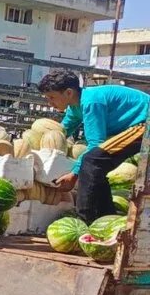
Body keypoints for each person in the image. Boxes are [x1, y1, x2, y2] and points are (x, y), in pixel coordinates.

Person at [36, 70, 148, 222]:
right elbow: (61, 131)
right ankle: (106, 218)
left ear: (68, 93)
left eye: (52, 97)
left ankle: (84, 220)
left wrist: (74, 174)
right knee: (95, 163)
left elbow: (96, 143)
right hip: (138, 123)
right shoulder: (75, 106)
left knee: (92, 160)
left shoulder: (91, 102)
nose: (49, 102)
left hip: (144, 122)